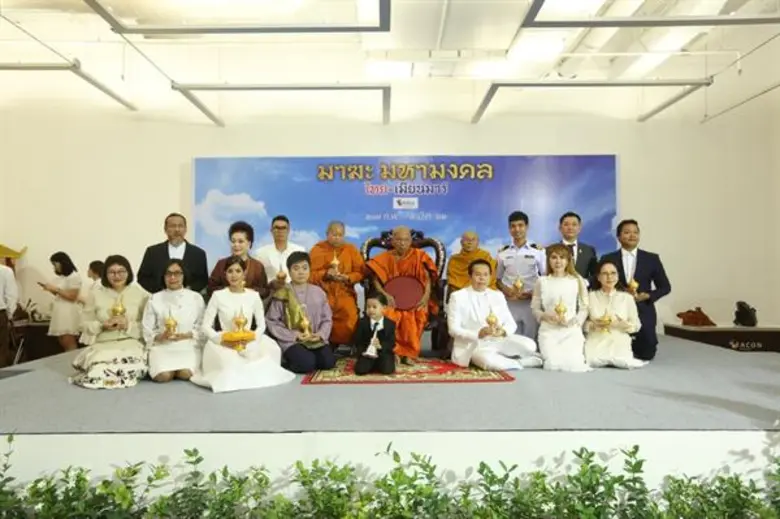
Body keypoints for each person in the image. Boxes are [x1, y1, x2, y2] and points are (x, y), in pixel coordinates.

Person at [192, 256, 295, 393]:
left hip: (249, 339)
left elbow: (261, 325)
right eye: (230, 271)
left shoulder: (253, 296)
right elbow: (206, 326)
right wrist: (221, 340)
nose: (234, 275)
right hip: (225, 340)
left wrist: (252, 339)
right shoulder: (218, 295)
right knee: (229, 365)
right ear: (225, 274)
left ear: (244, 273)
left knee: (270, 352)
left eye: (238, 271)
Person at [70, 255, 149, 389]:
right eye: (112, 272)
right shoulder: (95, 294)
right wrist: (101, 325)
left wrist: (128, 325)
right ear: (105, 274)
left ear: (129, 272)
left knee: (129, 368)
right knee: (99, 372)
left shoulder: (141, 294)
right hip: (104, 344)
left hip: (131, 342)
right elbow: (83, 323)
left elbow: (149, 326)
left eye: (121, 271)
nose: (117, 276)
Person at [447, 259, 541, 371]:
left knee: (530, 344)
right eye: (478, 275)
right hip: (474, 344)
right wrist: (478, 334)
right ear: (470, 276)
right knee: (487, 361)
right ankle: (520, 362)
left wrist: (503, 331)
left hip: (498, 339)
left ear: (490, 277)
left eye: (485, 275)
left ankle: (505, 358)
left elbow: (511, 323)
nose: (482, 278)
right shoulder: (458, 297)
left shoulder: (497, 295)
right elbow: (453, 330)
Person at [599, 219, 671, 361]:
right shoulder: (608, 258)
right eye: (627, 232)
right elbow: (599, 282)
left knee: (647, 353)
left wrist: (648, 296)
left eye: (635, 232)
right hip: (615, 308)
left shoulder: (651, 259)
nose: (632, 235)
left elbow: (665, 287)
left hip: (643, 308)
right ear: (618, 237)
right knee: (611, 352)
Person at [365, 226, 438, 363]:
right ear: (392, 241)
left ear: (411, 241)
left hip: (415, 299)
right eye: (398, 240)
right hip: (391, 299)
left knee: (419, 314)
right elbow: (375, 279)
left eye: (406, 240)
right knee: (388, 314)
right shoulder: (385, 257)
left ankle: (409, 353)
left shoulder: (419, 256)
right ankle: (394, 351)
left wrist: (426, 296)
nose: (402, 243)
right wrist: (384, 295)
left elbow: (427, 278)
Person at [266, 251, 336, 374]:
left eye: (304, 268)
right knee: (306, 364)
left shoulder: (318, 292)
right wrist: (295, 335)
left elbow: (327, 318)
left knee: (328, 362)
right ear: (289, 271)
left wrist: (320, 335)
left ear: (309, 270)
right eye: (296, 268)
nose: (301, 272)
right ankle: (290, 360)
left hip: (314, 338)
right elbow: (272, 321)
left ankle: (307, 356)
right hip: (291, 340)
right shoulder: (282, 293)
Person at [141, 259, 206, 383]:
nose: (172, 277)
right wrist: (160, 336)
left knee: (185, 374)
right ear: (163, 276)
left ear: (184, 275)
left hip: (187, 344)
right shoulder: (154, 298)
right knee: (163, 376)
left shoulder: (196, 297)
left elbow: (202, 326)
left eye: (177, 273)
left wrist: (187, 335)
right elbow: (147, 328)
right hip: (162, 345)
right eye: (168, 274)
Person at [531, 244, 591, 372]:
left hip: (571, 331)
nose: (558, 261)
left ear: (568, 260)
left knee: (574, 364)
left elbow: (584, 307)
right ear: (548, 260)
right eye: (554, 257)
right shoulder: (542, 281)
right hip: (548, 331)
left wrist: (574, 321)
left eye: (562, 257)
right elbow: (535, 308)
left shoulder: (577, 280)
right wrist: (545, 316)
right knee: (552, 364)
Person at [309, 221, 365, 346]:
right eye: (334, 234)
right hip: (323, 294)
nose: (337, 237)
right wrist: (325, 274)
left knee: (349, 316)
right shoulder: (317, 250)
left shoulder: (351, 249)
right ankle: (323, 344)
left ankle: (348, 346)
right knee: (321, 315)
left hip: (345, 293)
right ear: (327, 234)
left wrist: (348, 277)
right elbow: (309, 275)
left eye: (340, 235)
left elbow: (361, 272)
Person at [585, 259, 646, 369]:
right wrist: (593, 325)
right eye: (605, 273)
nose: (609, 277)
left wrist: (623, 325)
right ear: (598, 277)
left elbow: (637, 325)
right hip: (596, 339)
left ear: (618, 276)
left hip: (619, 339)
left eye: (613, 273)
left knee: (622, 361)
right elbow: (582, 323)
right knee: (593, 360)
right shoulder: (590, 296)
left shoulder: (627, 298)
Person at [496, 211, 546, 340]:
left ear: (527, 227)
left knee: (531, 339)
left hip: (531, 303)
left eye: (520, 225)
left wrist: (533, 293)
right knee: (511, 339)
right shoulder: (502, 253)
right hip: (510, 303)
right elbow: (497, 279)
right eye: (513, 226)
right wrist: (505, 290)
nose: (517, 229)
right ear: (509, 229)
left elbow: (546, 279)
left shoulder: (538, 252)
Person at [137, 213, 209, 294]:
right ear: (165, 229)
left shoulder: (198, 254)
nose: (177, 230)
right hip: (160, 297)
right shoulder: (153, 252)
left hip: (188, 298)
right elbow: (143, 278)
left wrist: (188, 290)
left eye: (180, 226)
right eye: (172, 226)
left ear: (185, 229)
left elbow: (202, 280)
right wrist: (161, 291)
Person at [208, 221, 269, 298]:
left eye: (240, 241)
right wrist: (231, 289)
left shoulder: (257, 266)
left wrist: (246, 291)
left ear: (249, 244)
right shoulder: (221, 264)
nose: (236, 245)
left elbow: (264, 291)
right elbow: (210, 289)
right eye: (233, 241)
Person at [39, 251, 82, 352]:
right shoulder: (63, 277)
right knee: (62, 341)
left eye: (55, 264)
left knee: (69, 341)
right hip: (60, 311)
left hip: (68, 313)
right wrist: (50, 290)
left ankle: (73, 361)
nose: (54, 267)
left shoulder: (74, 276)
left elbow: (72, 296)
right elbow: (62, 294)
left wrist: (55, 289)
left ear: (62, 263)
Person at [352, 292, 396, 376]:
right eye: (368, 307)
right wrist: (363, 351)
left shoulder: (390, 324)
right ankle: (371, 364)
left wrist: (380, 346)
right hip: (367, 353)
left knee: (387, 370)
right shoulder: (362, 323)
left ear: (384, 308)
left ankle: (379, 364)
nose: (371, 310)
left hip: (383, 352)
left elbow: (391, 342)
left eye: (374, 307)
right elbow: (358, 340)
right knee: (360, 370)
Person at [255, 215, 305, 287]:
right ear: (271, 230)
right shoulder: (260, 253)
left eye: (283, 228)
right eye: (277, 228)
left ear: (288, 230)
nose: (280, 231)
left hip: (295, 291)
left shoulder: (300, 251)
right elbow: (257, 279)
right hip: (270, 291)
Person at [557, 211, 598, 285]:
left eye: (574, 224)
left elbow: (596, 274)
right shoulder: (551, 250)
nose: (570, 228)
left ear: (579, 228)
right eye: (566, 224)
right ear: (560, 228)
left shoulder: (589, 250)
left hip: (583, 290)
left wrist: (585, 282)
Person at [78, 260, 105, 347]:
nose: (87, 271)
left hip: (94, 318)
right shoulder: (94, 285)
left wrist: (78, 298)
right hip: (90, 318)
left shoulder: (99, 285)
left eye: (89, 269)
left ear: (94, 271)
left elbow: (94, 302)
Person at [0, 263, 18, 367]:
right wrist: (9, 315)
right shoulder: (6, 271)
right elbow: (11, 295)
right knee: (1, 350)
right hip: (0, 314)